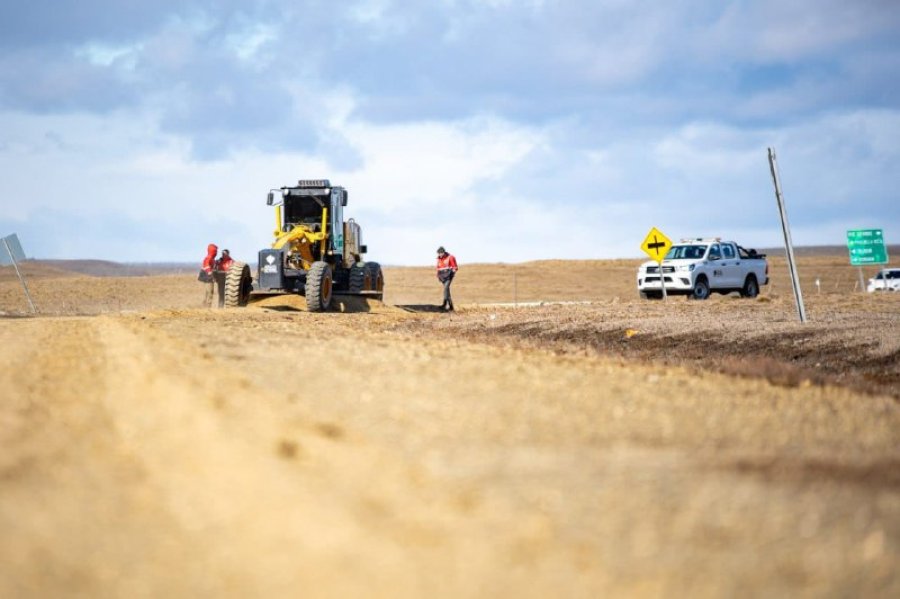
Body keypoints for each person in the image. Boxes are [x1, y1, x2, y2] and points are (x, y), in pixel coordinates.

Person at [436, 246, 458, 311]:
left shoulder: (450, 257)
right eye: (439, 253)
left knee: (445, 290)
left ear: (444, 252)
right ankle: (451, 307)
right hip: (442, 277)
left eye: (441, 253)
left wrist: (452, 274)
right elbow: (438, 268)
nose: (440, 254)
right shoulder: (439, 259)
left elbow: (455, 267)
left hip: (449, 276)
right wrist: (438, 275)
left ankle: (444, 304)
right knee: (447, 291)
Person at [200, 243, 218, 308]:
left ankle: (204, 305)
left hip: (206, 276)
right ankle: (208, 306)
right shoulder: (209, 257)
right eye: (215, 251)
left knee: (207, 291)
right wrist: (210, 274)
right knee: (210, 291)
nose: (216, 252)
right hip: (207, 276)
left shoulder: (211, 258)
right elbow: (207, 266)